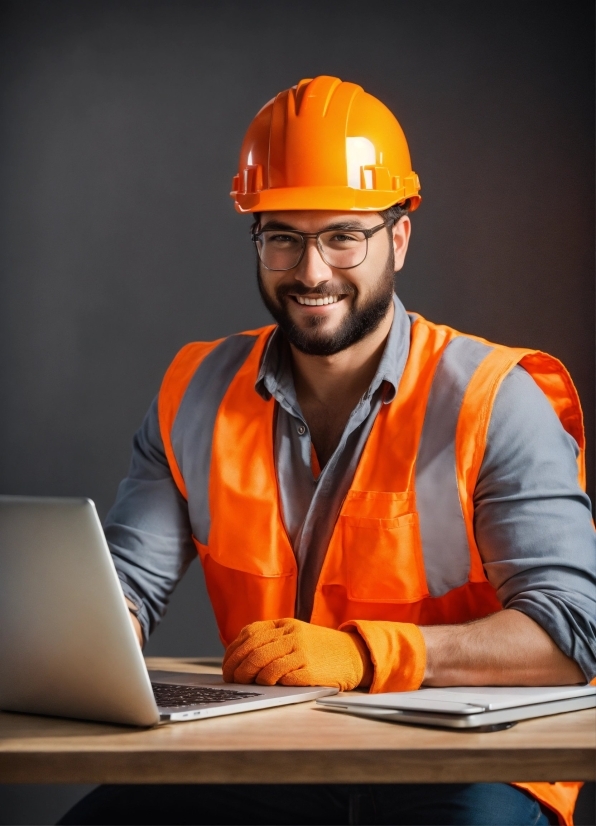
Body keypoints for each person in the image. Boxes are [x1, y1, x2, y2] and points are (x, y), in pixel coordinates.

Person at [61, 76, 595, 826]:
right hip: (274, 752)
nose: (312, 272)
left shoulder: (496, 399)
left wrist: (369, 655)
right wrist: (76, 634)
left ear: (397, 238)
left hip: (473, 763)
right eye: (283, 235)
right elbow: (122, 593)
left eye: (343, 235)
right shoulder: (194, 392)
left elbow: (574, 631)